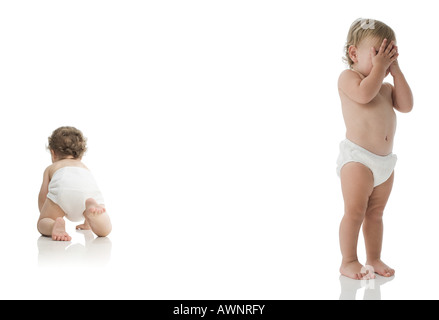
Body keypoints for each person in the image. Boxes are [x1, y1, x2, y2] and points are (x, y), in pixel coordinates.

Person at [337, 19, 413, 280]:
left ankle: (374, 257)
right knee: (355, 212)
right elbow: (363, 96)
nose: (384, 59)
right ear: (354, 53)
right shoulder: (350, 79)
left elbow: (406, 106)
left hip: (384, 164)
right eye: (378, 53)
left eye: (389, 53)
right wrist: (380, 68)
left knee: (376, 214)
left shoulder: (385, 87)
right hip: (358, 160)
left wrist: (396, 71)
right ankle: (348, 260)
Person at [37, 126, 112, 241]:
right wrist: (87, 223)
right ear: (80, 154)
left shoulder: (52, 167)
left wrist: (45, 214)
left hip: (63, 193)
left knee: (42, 223)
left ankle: (54, 226)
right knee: (104, 231)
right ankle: (93, 215)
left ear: (53, 153)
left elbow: (44, 194)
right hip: (90, 195)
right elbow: (82, 188)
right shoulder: (84, 168)